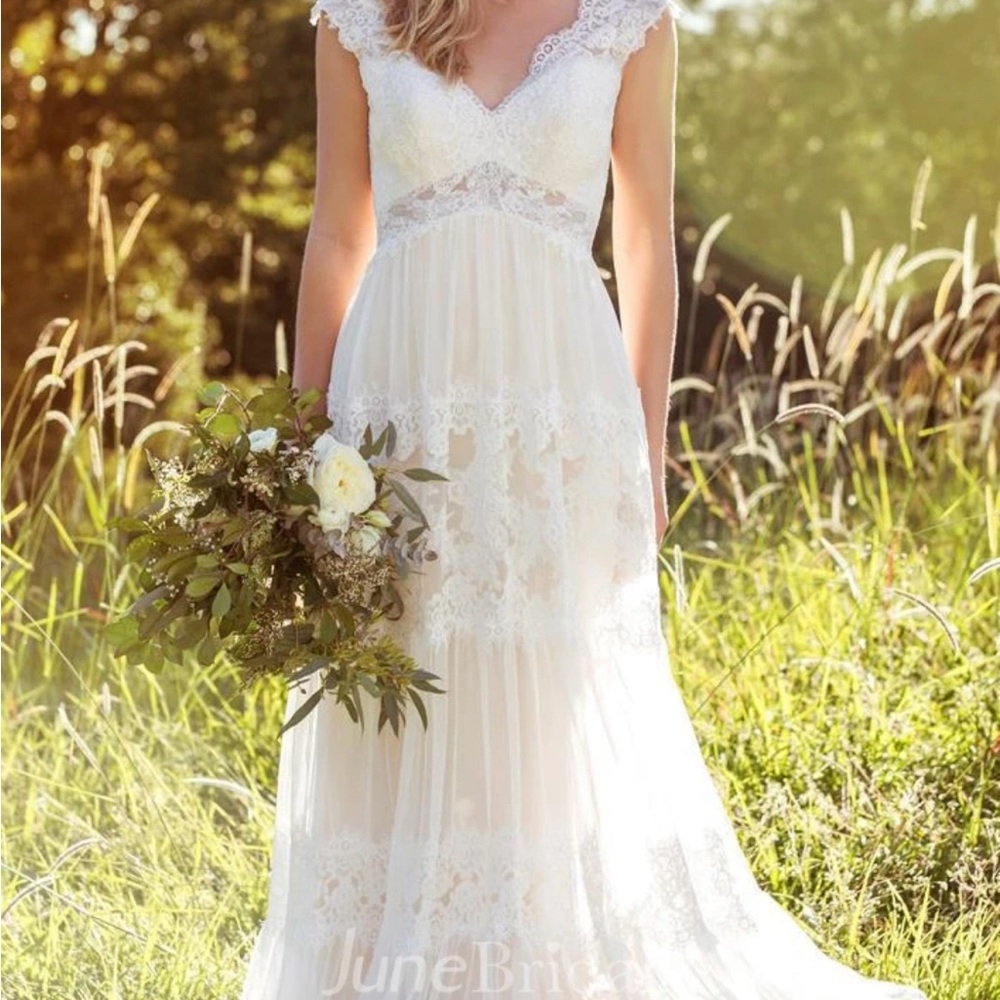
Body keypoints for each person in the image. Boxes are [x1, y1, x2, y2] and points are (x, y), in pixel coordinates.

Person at [239, 1, 929, 997]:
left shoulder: (628, 21)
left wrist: (643, 451)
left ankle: (527, 961)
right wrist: (299, 457)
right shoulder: (358, 18)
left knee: (540, 685)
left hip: (559, 416)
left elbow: (647, 241)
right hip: (395, 415)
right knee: (400, 673)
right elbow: (337, 236)